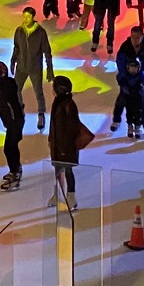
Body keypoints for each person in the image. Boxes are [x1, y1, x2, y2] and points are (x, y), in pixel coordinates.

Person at [47, 74, 91, 210]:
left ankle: (71, 197)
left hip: (66, 146)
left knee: (68, 170)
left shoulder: (68, 105)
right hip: (57, 144)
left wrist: (65, 146)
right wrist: (51, 140)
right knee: (58, 170)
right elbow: (54, 125)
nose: (52, 90)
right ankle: (58, 194)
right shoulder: (57, 102)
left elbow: (72, 128)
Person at [0, 61, 27, 192]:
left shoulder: (8, 84)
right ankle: (16, 169)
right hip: (12, 122)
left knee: (8, 148)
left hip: (15, 122)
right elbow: (0, 99)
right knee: (12, 147)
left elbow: (11, 102)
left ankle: (15, 172)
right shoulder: (3, 84)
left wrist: (14, 122)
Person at [11, 9, 53, 130]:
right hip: (21, 67)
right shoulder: (19, 31)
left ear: (33, 17)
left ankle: (41, 113)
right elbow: (16, 48)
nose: (25, 19)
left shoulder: (40, 33)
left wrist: (50, 70)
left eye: (28, 17)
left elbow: (47, 52)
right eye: (24, 16)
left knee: (38, 92)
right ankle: (19, 109)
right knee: (16, 90)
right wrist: (13, 61)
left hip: (35, 68)